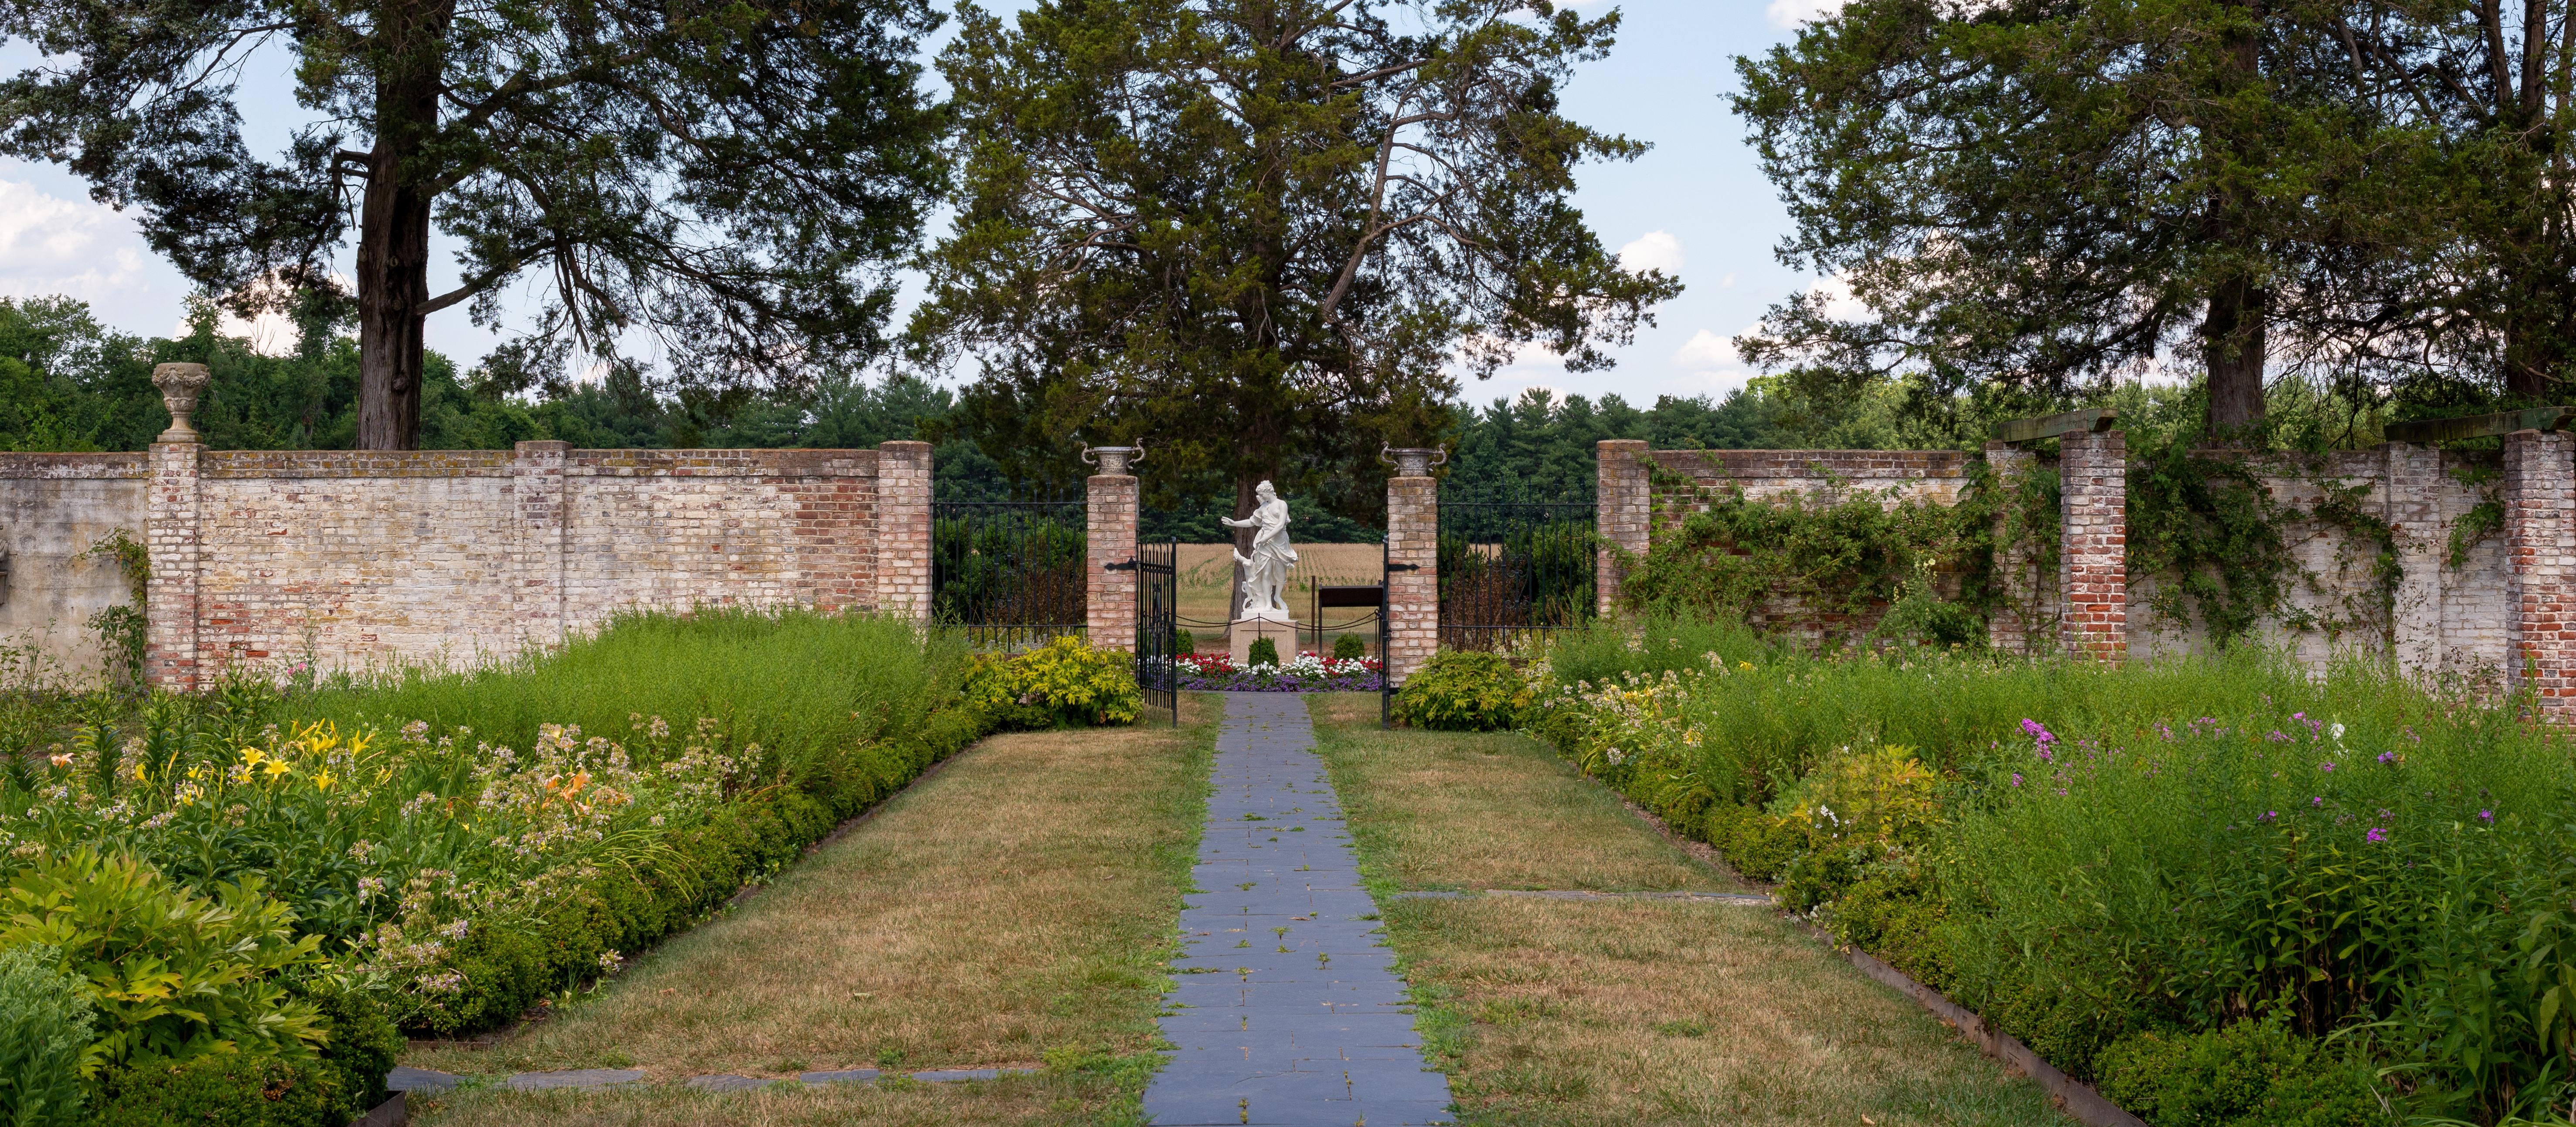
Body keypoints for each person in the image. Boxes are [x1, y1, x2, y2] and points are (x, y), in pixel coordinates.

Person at [1221, 481, 1298, 620]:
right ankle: (1268, 604)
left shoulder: (1282, 504)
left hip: (1279, 542)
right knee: (1265, 573)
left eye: (1262, 494)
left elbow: (1280, 525)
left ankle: (1277, 597)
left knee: (1281, 575)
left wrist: (1266, 538)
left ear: (1268, 491)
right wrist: (1234, 524)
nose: (1260, 497)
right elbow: (1252, 522)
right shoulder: (1263, 508)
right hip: (1265, 545)